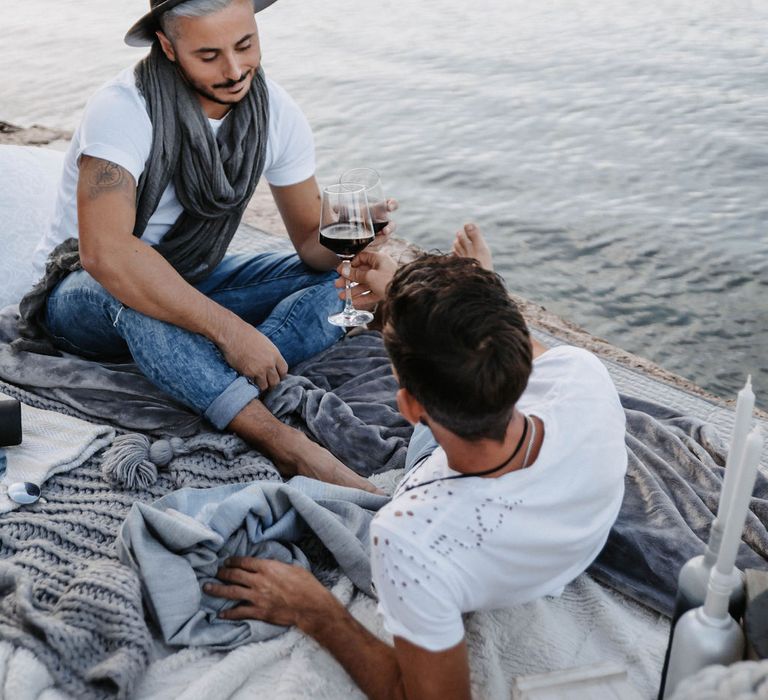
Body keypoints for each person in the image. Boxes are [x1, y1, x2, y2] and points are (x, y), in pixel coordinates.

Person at [204, 224, 628, 699]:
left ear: (408, 410)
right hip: (543, 492)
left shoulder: (410, 538)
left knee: (457, 370)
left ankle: (448, 306)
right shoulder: (583, 375)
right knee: (473, 359)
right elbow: (509, 349)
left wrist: (314, 610)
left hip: (452, 482)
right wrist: (446, 296)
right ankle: (458, 299)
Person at [21, 0, 395, 492]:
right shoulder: (123, 109)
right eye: (209, 54)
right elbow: (105, 254)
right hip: (84, 295)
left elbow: (310, 246)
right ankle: (283, 443)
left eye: (245, 45)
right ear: (168, 47)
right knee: (137, 300)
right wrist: (230, 332)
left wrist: (352, 236)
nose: (235, 69)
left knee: (341, 281)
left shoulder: (274, 112)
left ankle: (194, 369)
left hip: (190, 281)